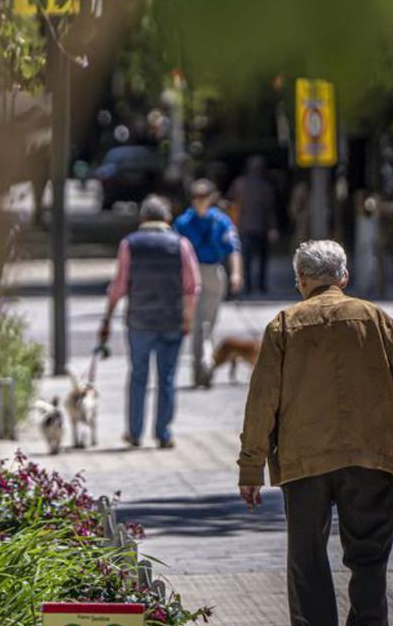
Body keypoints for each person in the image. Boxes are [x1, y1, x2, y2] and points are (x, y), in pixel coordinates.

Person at [238, 240, 393, 626]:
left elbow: (261, 402)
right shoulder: (375, 318)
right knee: (368, 555)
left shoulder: (284, 325)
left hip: (304, 462)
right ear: (343, 277)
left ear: (301, 280)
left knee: (306, 557)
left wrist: (250, 469)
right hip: (371, 457)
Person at [98, 194, 200, 448]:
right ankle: (163, 433)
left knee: (138, 376)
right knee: (167, 378)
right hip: (171, 320)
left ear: (143, 217)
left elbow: (119, 286)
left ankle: (134, 432)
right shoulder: (181, 244)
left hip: (139, 321)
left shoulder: (129, 244)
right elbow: (192, 287)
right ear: (167, 217)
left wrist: (107, 318)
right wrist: (188, 318)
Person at [173, 179, 242, 388]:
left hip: (212, 272)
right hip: (190, 274)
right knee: (195, 323)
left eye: (204, 197)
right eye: (196, 197)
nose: (200, 201)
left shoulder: (221, 221)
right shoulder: (183, 223)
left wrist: (236, 274)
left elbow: (233, 248)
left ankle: (205, 363)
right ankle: (200, 367)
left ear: (211, 198)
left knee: (208, 322)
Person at [228, 155, 278, 293]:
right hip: (259, 226)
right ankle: (260, 285)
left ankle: (249, 286)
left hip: (245, 227)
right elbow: (270, 209)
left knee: (247, 258)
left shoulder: (240, 183)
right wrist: (272, 228)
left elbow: (231, 204)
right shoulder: (265, 186)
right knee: (261, 258)